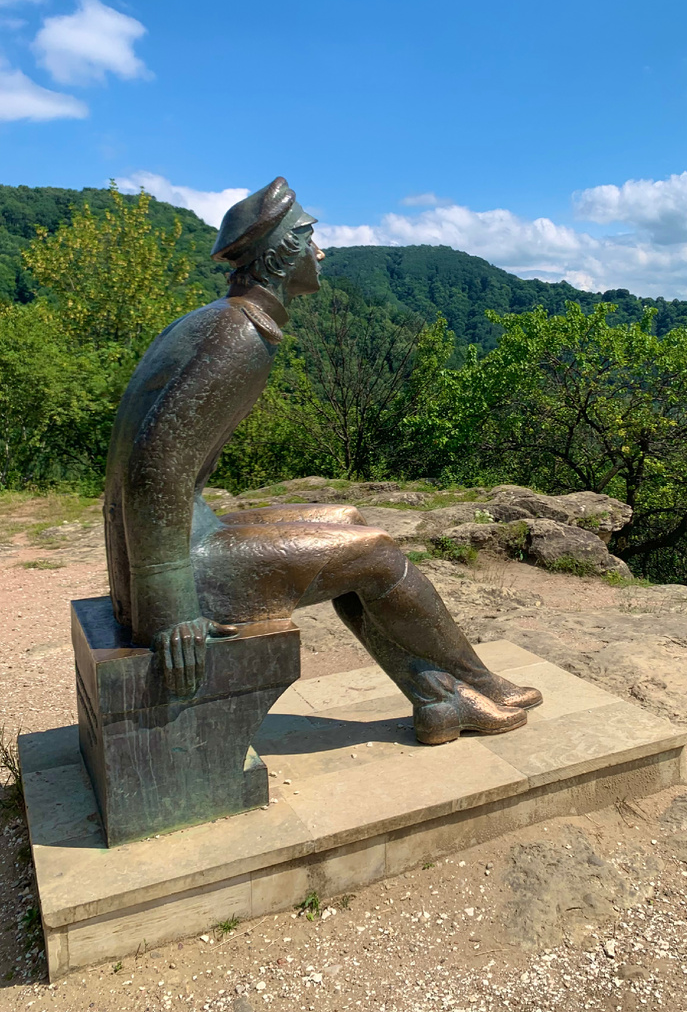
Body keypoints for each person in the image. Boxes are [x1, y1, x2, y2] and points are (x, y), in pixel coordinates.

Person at [103, 177, 541, 744]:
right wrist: (170, 610)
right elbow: (152, 469)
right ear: (284, 255)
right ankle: (465, 683)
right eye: (310, 238)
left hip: (181, 538)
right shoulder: (237, 337)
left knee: (350, 522)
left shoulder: (223, 320)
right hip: (179, 571)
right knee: (378, 555)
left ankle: (444, 696)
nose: (322, 252)